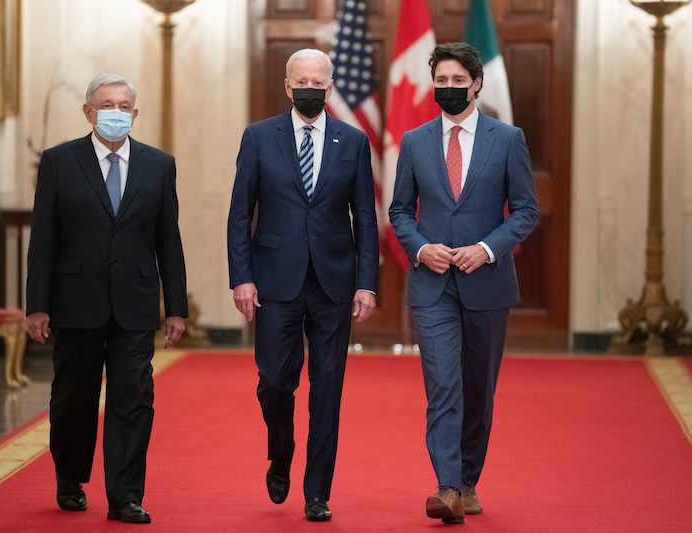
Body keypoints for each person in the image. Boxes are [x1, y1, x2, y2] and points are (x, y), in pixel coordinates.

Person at [26, 73, 188, 525]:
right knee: (73, 398)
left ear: (134, 114)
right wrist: (36, 304)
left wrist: (175, 306)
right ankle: (71, 477)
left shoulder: (159, 165)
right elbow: (44, 239)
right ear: (88, 112)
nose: (115, 113)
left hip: (135, 302)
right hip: (75, 301)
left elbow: (168, 238)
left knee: (133, 399)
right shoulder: (59, 162)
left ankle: (125, 496)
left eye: (123, 106)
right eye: (106, 105)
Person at [388, 42, 539, 524]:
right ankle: (447, 487)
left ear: (475, 84)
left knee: (478, 388)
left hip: (488, 282)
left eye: (458, 81)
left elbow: (527, 211)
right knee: (443, 385)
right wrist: (420, 247)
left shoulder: (508, 138)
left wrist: (487, 248)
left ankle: (469, 479)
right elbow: (398, 211)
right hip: (432, 285)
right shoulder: (414, 141)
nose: (449, 88)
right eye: (441, 80)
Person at [227, 48, 379, 522]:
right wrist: (242, 277)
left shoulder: (352, 142)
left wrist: (367, 284)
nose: (311, 88)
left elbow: (366, 220)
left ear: (330, 87)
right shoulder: (258, 138)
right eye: (302, 81)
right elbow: (238, 214)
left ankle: (318, 493)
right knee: (274, 382)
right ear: (288, 86)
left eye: (319, 81)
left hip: (334, 283)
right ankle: (281, 449)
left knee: (327, 389)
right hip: (274, 281)